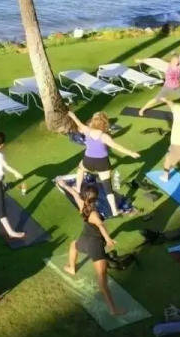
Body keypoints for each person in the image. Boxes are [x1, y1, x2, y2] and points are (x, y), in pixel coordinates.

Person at [56, 178, 127, 316]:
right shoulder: (94, 213)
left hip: (83, 240)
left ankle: (71, 268)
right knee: (102, 279)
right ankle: (113, 310)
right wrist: (108, 239)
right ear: (96, 197)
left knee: (73, 245)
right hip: (95, 246)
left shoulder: (82, 204)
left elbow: (74, 194)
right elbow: (100, 225)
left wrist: (64, 185)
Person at [68, 111, 140, 217]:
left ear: (93, 122)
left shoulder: (87, 130)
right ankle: (114, 211)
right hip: (102, 163)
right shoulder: (104, 136)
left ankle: (78, 188)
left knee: (80, 168)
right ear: (104, 123)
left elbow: (78, 123)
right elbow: (117, 146)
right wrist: (131, 153)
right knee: (108, 188)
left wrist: (73, 116)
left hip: (88, 161)